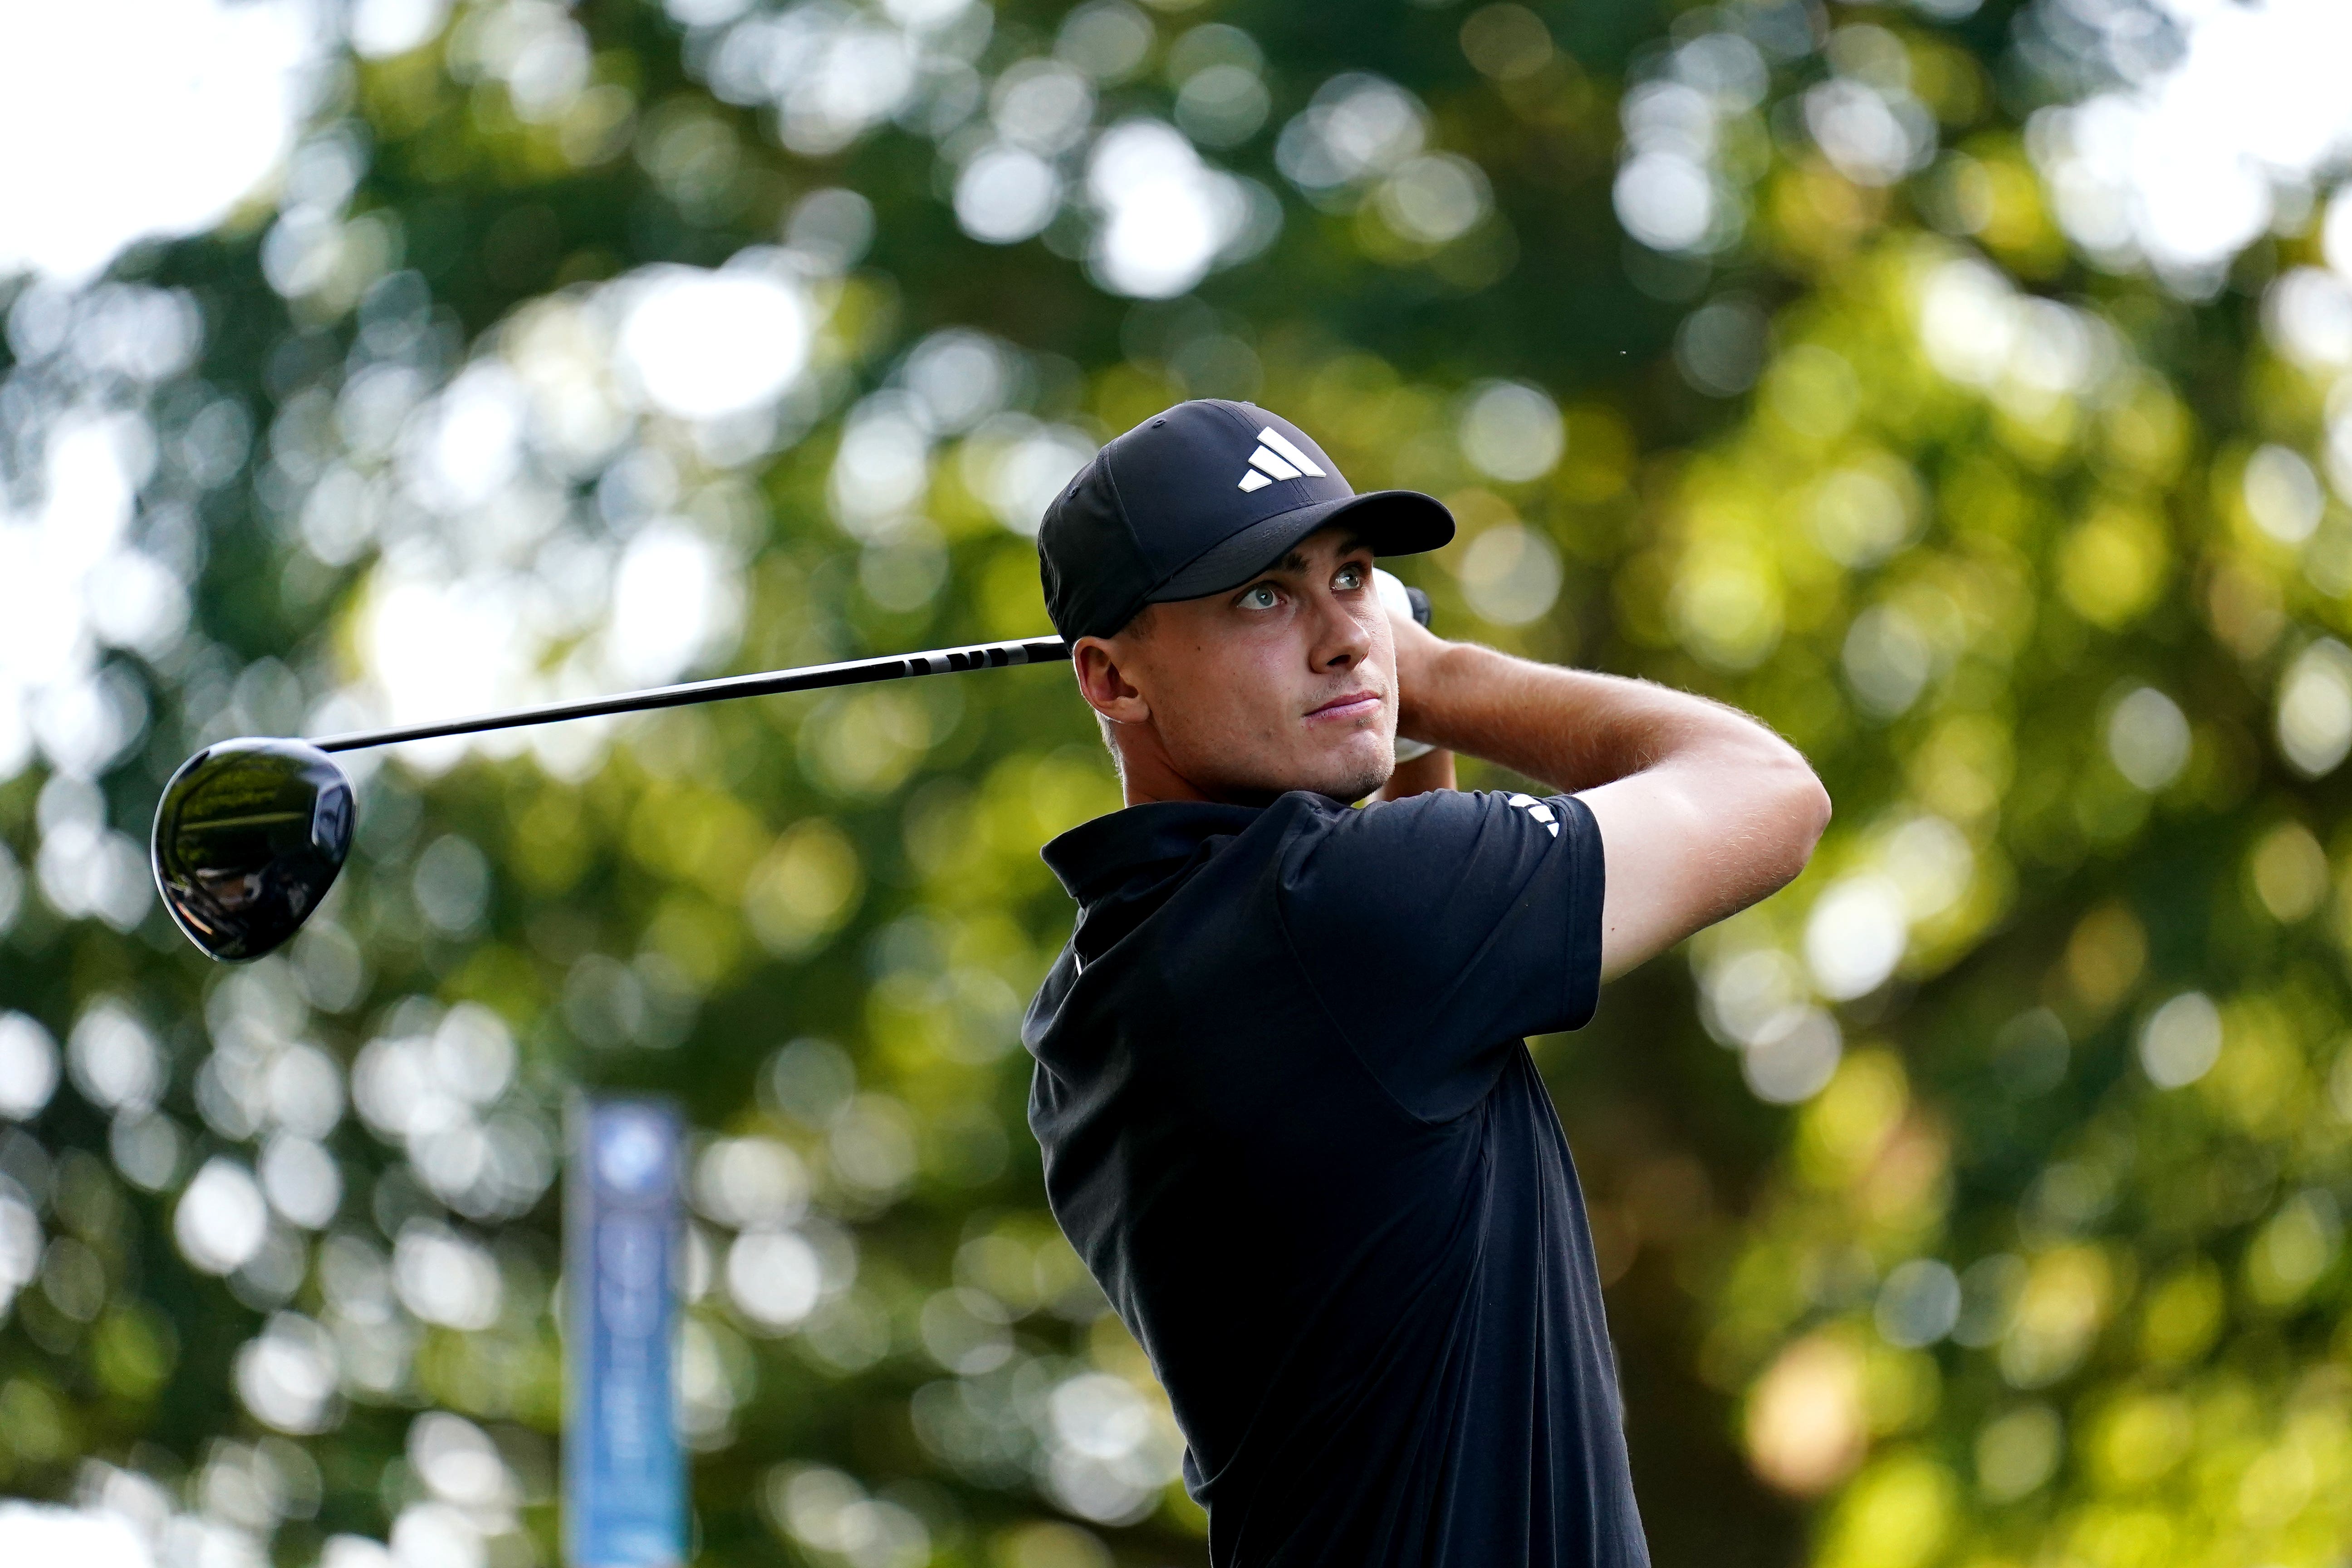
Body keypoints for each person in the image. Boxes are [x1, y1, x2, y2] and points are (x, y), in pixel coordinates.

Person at [1023, 399, 1831, 1567]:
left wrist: (1392, 729)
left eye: (1351, 576)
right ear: (1112, 679)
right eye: (1263, 594)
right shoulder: (1333, 920)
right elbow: (1768, 792)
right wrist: (1439, 675)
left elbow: (1420, 1039)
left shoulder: (1104, 993)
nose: (1346, 636)